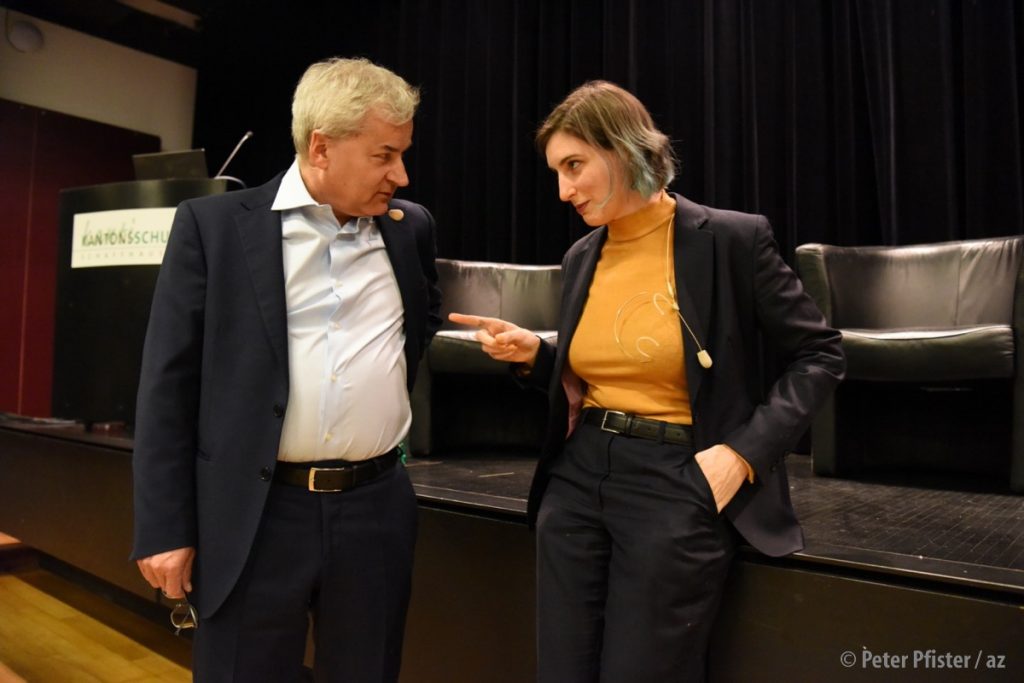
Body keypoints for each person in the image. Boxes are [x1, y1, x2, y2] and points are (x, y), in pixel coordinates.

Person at [450, 81, 845, 682]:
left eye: (575, 166)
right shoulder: (583, 254)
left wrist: (742, 456)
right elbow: (607, 362)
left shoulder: (731, 240)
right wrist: (537, 353)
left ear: (624, 149)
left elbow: (819, 354)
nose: (563, 190)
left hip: (677, 480)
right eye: (557, 171)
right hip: (579, 477)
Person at [131, 57, 441, 682]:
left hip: (376, 510)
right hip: (255, 512)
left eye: (403, 155)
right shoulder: (213, 227)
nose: (400, 175)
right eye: (384, 155)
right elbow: (168, 383)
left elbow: (419, 326)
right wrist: (164, 526)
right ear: (321, 148)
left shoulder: (410, 232)